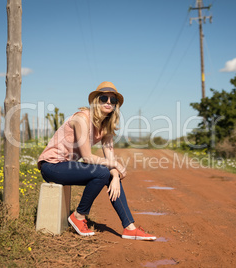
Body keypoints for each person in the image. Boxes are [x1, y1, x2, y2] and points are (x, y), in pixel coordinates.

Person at [37, 81, 156, 241]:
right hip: (52, 166)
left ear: (115, 106)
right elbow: (88, 157)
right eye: (104, 98)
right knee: (101, 172)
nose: (108, 102)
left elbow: (110, 158)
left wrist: (114, 176)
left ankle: (130, 227)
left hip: (68, 166)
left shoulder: (106, 125)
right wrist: (113, 166)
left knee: (106, 173)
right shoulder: (82, 119)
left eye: (113, 101)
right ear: (96, 101)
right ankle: (78, 216)